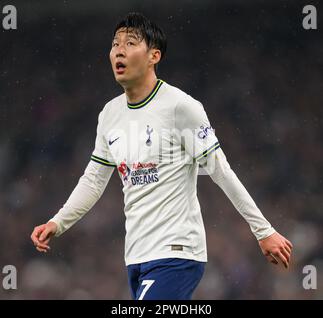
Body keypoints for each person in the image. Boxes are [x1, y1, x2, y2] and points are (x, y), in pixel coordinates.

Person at [31, 12, 293, 300]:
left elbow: (221, 170)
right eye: (115, 43)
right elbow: (94, 180)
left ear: (154, 55)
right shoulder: (109, 114)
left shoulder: (181, 107)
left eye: (130, 43)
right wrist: (58, 222)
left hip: (177, 252)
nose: (119, 50)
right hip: (136, 256)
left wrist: (263, 230)